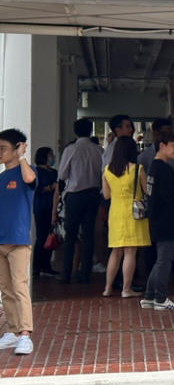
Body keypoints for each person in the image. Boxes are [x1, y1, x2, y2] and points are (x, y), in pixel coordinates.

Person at [142, 132, 174, 311]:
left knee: (160, 260)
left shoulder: (154, 168)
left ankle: (149, 296)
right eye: (173, 145)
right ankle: (161, 298)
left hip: (157, 219)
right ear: (162, 145)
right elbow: (169, 194)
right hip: (166, 221)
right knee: (165, 260)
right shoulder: (163, 168)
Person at [0, 129, 37, 355]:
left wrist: (23, 157)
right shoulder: (1, 178)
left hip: (18, 240)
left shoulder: (26, 172)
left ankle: (25, 334)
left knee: (20, 286)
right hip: (0, 240)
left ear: (18, 148)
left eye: (3, 148)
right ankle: (12, 332)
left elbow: (30, 179)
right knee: (5, 288)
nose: (0, 153)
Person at [101, 136, 150, 298]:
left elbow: (106, 195)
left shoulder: (107, 170)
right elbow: (146, 191)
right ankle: (126, 289)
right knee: (130, 252)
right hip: (134, 213)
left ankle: (108, 288)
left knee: (115, 252)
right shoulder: (138, 169)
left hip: (115, 213)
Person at [57, 118, 103, 284]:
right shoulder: (98, 150)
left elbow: (62, 175)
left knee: (70, 236)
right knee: (89, 235)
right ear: (90, 130)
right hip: (93, 195)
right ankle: (85, 274)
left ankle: (67, 273)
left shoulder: (71, 149)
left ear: (75, 131)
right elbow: (103, 173)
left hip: (75, 196)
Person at [32, 147, 60, 278]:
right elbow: (35, 189)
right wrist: (49, 188)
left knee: (50, 236)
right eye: (50, 155)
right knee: (41, 237)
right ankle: (36, 267)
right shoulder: (36, 172)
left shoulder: (54, 172)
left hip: (52, 208)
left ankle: (46, 265)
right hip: (41, 207)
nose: (52, 157)